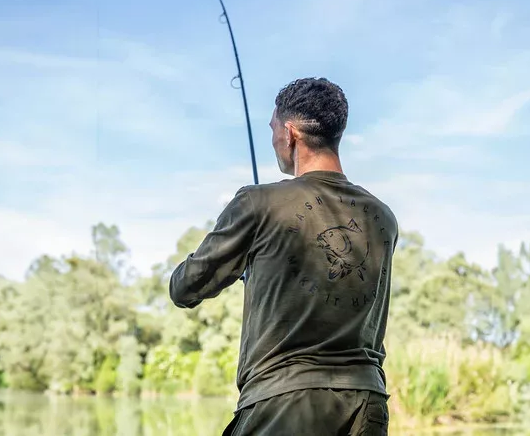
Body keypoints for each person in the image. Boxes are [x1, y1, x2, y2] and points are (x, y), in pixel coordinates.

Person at [169, 77, 398, 435]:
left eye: (273, 128)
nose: (274, 138)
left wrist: (236, 263)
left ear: (289, 134)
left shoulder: (258, 202)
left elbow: (186, 288)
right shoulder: (383, 217)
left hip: (285, 401)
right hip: (368, 403)